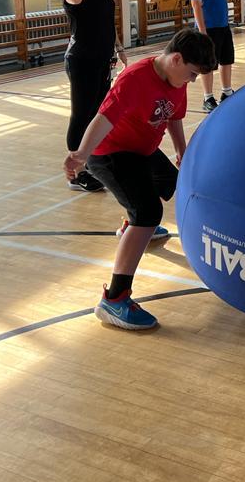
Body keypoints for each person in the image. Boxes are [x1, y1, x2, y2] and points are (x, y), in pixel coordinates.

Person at [64, 27, 216, 330]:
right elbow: (103, 118)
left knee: (175, 184)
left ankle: (130, 227)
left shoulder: (175, 77)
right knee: (148, 213)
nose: (193, 80)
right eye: (192, 74)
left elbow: (173, 115)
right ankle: (115, 300)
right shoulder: (135, 79)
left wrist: (182, 153)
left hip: (142, 148)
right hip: (110, 152)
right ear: (175, 59)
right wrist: (81, 155)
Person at [62, 0, 127, 193]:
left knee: (99, 114)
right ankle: (75, 173)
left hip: (103, 58)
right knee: (81, 115)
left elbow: (106, 21)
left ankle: (95, 163)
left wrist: (119, 47)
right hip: (81, 61)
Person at [189, 0, 236, 112]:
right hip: (209, 30)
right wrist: (203, 31)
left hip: (223, 27)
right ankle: (208, 97)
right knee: (208, 64)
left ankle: (226, 92)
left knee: (226, 60)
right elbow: (196, 7)